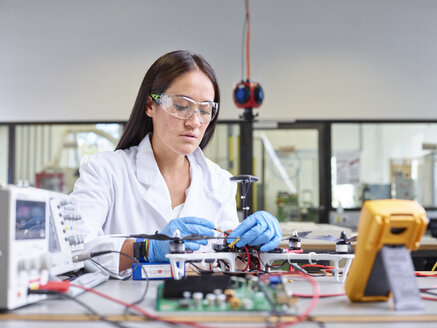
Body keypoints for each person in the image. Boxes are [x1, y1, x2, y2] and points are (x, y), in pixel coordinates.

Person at [71, 50, 282, 276]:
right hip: (121, 308)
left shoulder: (219, 181)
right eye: (182, 106)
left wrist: (253, 246)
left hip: (198, 307)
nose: (195, 122)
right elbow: (76, 249)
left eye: (204, 110)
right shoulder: (105, 171)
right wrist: (146, 249)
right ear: (150, 106)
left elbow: (231, 263)